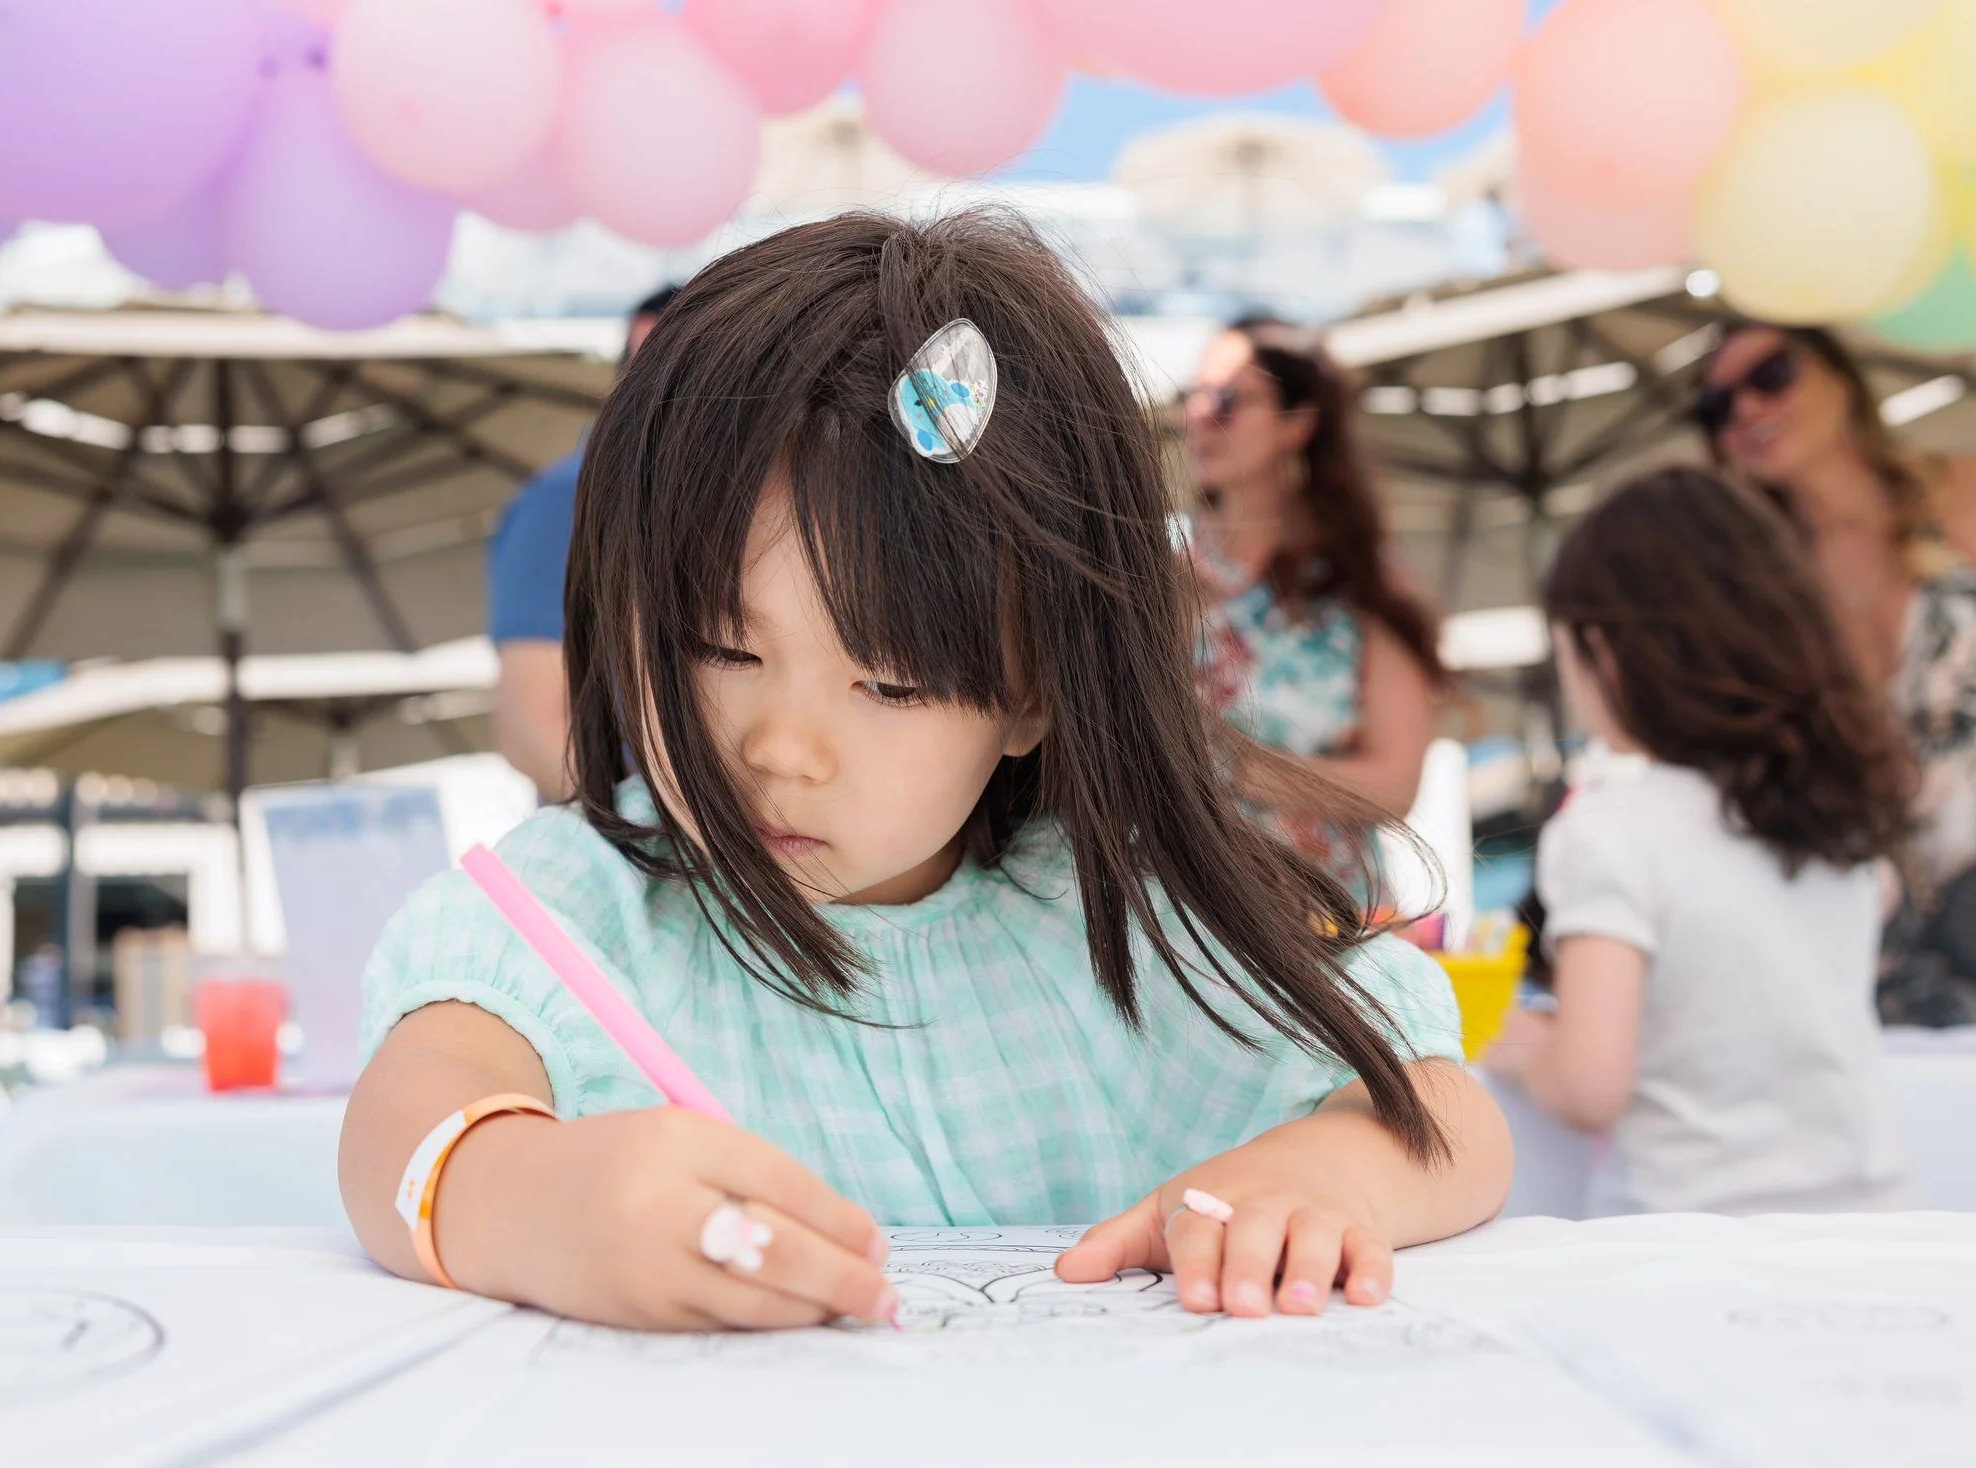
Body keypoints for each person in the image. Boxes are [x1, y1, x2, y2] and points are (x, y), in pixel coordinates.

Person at [340, 212, 1508, 1332]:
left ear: (1034, 692)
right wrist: (536, 1197)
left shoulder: (1128, 929)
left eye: (893, 685)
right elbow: (407, 1108)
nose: (780, 748)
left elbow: (1443, 1110)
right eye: (717, 646)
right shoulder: (578, 915)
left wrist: (1317, 1172)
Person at [1486, 468, 1917, 1216]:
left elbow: (1589, 1087)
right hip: (1877, 1224)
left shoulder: (1607, 828)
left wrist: (1511, 1039)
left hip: (1690, 1248)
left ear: (1603, 649)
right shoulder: (1836, 813)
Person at [1696, 323, 1976, 1027]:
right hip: (1895, 976)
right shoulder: (1763, 593)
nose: (1748, 411)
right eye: (1717, 407)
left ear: (1842, 378)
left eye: (1772, 375)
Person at [1182, 319, 1446, 862]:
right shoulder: (1152, 569)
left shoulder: (1358, 581)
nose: (1200, 415)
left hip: (1327, 922)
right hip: (1175, 915)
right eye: (1194, 395)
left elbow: (1396, 784)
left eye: (1228, 398)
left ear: (1296, 424)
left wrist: (1234, 767)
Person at [487, 284, 682, 802]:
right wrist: (661, 850)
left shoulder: (743, 503)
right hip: (640, 859)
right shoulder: (567, 500)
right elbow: (533, 731)